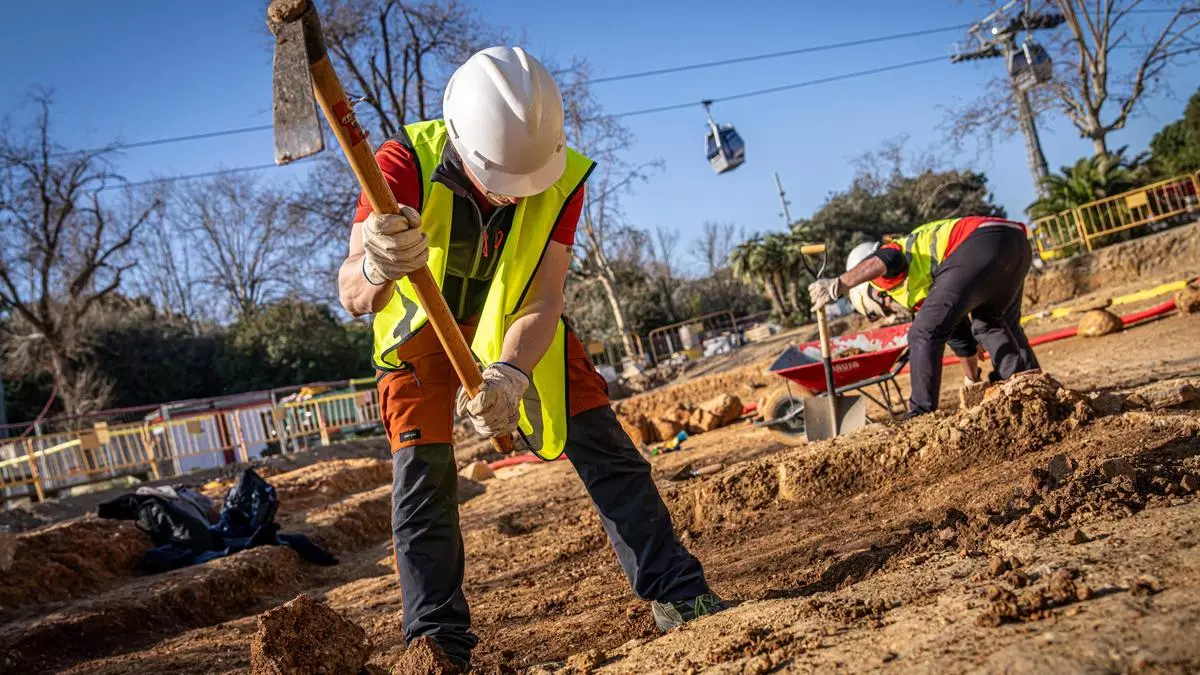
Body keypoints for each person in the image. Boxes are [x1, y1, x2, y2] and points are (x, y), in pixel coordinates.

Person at [336, 46, 724, 670]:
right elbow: (353, 293)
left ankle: (680, 596)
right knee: (423, 490)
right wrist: (377, 261)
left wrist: (512, 373)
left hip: (519, 324)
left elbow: (545, 296)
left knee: (608, 449)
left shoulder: (560, 176)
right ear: (463, 144)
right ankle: (438, 650)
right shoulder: (401, 161)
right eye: (502, 183)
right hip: (418, 340)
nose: (518, 197)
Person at [809, 216, 1040, 417]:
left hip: (981, 242)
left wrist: (837, 286)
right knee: (991, 324)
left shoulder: (886, 270)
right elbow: (960, 339)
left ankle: (920, 412)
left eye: (886, 309)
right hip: (1015, 241)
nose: (894, 310)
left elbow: (883, 261)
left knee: (921, 331)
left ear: (875, 296)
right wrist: (972, 379)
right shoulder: (929, 289)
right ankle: (1032, 389)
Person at [843, 242, 986, 386]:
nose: (892, 305)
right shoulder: (911, 261)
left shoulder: (916, 280)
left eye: (886, 305)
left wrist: (972, 375)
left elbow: (957, 332)